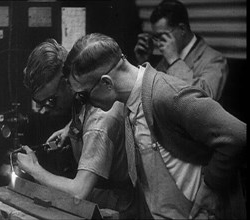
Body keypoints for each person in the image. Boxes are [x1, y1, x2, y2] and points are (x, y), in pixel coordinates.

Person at [66, 33, 246, 219]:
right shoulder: (131, 102)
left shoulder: (166, 95)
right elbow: (154, 182)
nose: (85, 104)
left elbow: (238, 135)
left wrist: (211, 187)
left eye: (83, 96)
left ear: (106, 83)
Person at [17, 39, 138, 218]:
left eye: (51, 100)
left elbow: (79, 191)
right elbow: (87, 113)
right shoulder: (84, 97)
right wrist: (69, 128)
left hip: (121, 208)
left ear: (67, 80)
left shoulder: (100, 121)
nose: (45, 109)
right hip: (105, 196)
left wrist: (34, 169)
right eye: (40, 103)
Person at [134, 0, 228, 101]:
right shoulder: (167, 58)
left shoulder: (215, 60)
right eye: (156, 37)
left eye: (163, 36)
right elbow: (149, 94)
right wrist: (143, 62)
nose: (158, 43)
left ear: (182, 29)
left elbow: (205, 98)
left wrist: (174, 61)